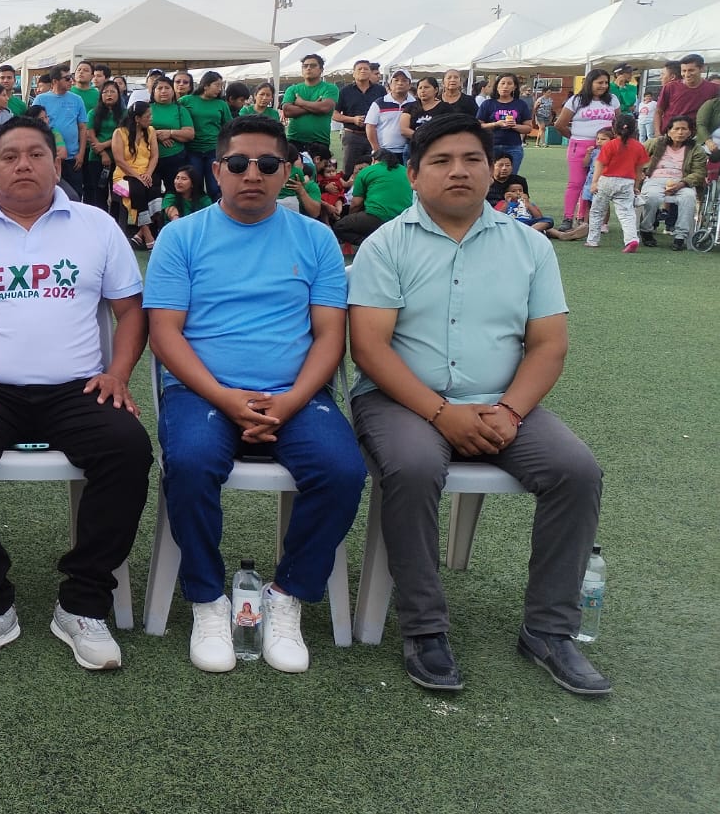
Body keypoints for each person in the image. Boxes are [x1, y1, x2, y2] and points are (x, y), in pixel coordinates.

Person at [347, 114, 609, 696]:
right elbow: (369, 348)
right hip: (400, 401)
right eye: (441, 161)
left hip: (501, 403)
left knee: (576, 471)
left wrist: (510, 413)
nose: (458, 172)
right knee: (413, 466)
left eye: (472, 159)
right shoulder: (385, 245)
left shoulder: (529, 246)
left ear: (494, 171)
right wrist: (442, 414)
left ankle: (549, 629)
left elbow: (548, 345)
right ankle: (425, 628)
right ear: (413, 174)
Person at [0, 117, 151, 672]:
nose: (23, 164)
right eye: (10, 156)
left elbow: (130, 310)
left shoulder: (96, 225)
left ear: (57, 163)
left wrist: (118, 373)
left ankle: (83, 602)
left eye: (36, 154)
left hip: (77, 387)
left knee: (128, 448)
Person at [145, 116, 363, 675]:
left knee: (342, 470)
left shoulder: (315, 238)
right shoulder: (181, 236)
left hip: (294, 393)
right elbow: (165, 334)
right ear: (217, 170)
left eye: (267, 164)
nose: (252, 175)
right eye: (238, 163)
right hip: (202, 392)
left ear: (286, 172)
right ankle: (207, 599)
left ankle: (287, 594)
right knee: (191, 463)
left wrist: (290, 402)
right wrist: (224, 397)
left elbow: (329, 336)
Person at [553, 70, 619, 232]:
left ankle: (585, 218)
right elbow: (560, 124)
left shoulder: (612, 99)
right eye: (599, 82)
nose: (603, 86)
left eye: (606, 83)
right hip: (580, 146)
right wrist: (575, 137)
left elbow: (618, 123)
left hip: (605, 148)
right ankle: (568, 218)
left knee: (595, 184)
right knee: (576, 183)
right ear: (590, 83)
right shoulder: (577, 100)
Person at [636, 116, 705, 250]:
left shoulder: (696, 149)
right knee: (652, 197)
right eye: (676, 129)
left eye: (684, 129)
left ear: (690, 132)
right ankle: (646, 230)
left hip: (682, 182)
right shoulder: (656, 143)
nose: (680, 132)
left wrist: (681, 184)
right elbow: (637, 157)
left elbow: (699, 172)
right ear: (668, 131)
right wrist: (641, 172)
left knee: (688, 198)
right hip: (655, 179)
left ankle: (680, 236)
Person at [583, 114, 648, 252]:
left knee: (597, 211)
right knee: (627, 213)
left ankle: (592, 240)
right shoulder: (639, 147)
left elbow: (599, 164)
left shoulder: (610, 145)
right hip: (627, 182)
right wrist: (636, 186)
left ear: (614, 129)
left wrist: (594, 182)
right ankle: (631, 239)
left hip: (606, 180)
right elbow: (639, 170)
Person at [333, 149, 413, 247]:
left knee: (339, 226)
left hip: (377, 216)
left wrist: (350, 218)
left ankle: (372, 245)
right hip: (404, 218)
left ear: (373, 160)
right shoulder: (405, 171)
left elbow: (356, 204)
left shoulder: (367, 171)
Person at [33, 67, 89, 193]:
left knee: (75, 194)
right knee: (48, 193)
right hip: (49, 159)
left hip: (72, 159)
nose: (71, 81)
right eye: (67, 78)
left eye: (71, 77)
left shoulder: (77, 99)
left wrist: (81, 154)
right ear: (55, 81)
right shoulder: (41, 99)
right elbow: (33, 126)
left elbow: (82, 127)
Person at [110, 99, 157, 247]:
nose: (151, 119)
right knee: (138, 189)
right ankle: (147, 234)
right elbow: (119, 160)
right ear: (137, 119)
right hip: (123, 176)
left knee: (155, 188)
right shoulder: (119, 133)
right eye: (147, 116)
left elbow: (154, 156)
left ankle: (139, 234)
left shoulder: (151, 131)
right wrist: (138, 177)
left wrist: (148, 174)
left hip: (145, 173)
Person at [183, 70, 234, 202]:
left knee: (214, 187)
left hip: (214, 150)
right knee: (195, 185)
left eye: (221, 86)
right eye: (217, 85)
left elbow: (229, 126)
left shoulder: (221, 104)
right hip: (193, 150)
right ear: (205, 85)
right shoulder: (186, 100)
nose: (220, 89)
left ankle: (216, 209)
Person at [334, 60, 384, 177]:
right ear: (353, 73)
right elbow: (334, 114)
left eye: (366, 69)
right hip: (353, 136)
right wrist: (353, 119)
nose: (363, 71)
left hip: (374, 136)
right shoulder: (345, 91)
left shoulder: (380, 90)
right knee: (349, 170)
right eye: (359, 69)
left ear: (370, 72)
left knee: (375, 169)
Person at [280, 55, 338, 156]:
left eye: (313, 65)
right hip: (294, 140)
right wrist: (315, 105)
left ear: (321, 70)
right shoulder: (292, 89)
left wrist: (301, 103)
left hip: (320, 141)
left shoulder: (330, 88)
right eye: (305, 66)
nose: (308, 68)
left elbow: (325, 108)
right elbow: (287, 111)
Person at [476, 73, 533, 174]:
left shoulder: (520, 104)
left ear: (515, 87)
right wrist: (496, 124)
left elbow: (528, 128)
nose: (505, 86)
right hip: (491, 146)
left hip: (513, 147)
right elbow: (478, 126)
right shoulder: (488, 104)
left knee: (510, 177)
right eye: (502, 83)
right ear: (497, 86)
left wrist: (514, 125)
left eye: (509, 83)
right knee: (489, 176)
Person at [149, 73, 193, 199]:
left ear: (173, 91)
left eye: (167, 88)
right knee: (152, 192)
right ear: (153, 92)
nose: (163, 91)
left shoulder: (180, 110)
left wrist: (170, 133)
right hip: (149, 159)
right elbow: (135, 130)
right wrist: (156, 135)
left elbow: (190, 134)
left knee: (174, 191)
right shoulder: (146, 108)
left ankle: (173, 211)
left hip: (175, 158)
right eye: (159, 88)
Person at [653, 53, 718, 137]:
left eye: (691, 70)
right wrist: (657, 133)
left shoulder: (714, 89)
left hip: (696, 137)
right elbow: (658, 112)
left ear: (702, 68)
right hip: (669, 135)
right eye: (684, 71)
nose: (687, 74)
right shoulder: (670, 87)